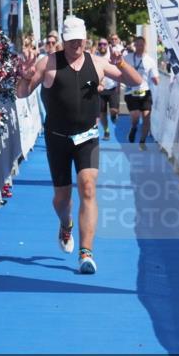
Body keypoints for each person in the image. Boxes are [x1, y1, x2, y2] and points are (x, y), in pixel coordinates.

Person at [15, 16, 143, 274]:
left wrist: (121, 64)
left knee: (87, 188)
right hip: (57, 138)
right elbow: (22, 93)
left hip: (87, 136)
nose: (75, 47)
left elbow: (135, 82)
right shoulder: (48, 63)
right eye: (71, 42)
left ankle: (86, 253)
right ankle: (66, 224)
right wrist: (24, 76)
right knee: (62, 200)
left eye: (79, 41)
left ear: (86, 40)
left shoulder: (97, 63)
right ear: (63, 41)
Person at [123, 35, 161, 150]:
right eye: (137, 44)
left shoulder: (150, 61)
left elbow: (156, 78)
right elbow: (120, 70)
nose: (139, 47)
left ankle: (142, 141)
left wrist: (156, 80)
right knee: (135, 116)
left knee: (146, 117)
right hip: (131, 91)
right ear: (134, 46)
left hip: (145, 91)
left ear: (145, 46)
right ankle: (133, 128)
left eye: (141, 45)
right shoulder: (128, 58)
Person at [95, 38, 120, 139]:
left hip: (112, 87)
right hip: (100, 89)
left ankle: (114, 116)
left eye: (104, 44)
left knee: (114, 110)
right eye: (100, 44)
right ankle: (106, 131)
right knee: (102, 113)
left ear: (107, 45)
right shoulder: (95, 57)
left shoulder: (111, 55)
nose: (102, 46)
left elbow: (119, 70)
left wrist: (119, 85)